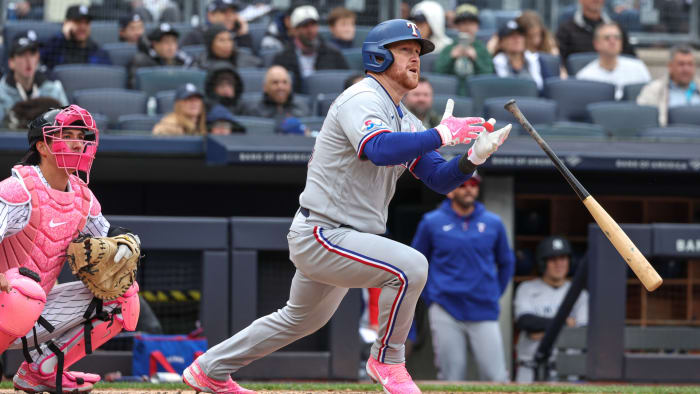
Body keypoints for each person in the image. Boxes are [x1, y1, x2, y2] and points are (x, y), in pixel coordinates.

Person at [182, 18, 511, 394]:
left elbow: (437, 177)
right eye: (405, 50)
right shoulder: (362, 97)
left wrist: (471, 159)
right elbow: (378, 149)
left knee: (298, 320)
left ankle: (209, 369)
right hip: (324, 231)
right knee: (411, 267)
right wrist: (439, 133)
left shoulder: (405, 117)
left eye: (418, 52)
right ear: (377, 56)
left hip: (345, 236)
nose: (415, 58)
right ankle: (387, 360)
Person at [0, 104, 141, 393]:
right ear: (42, 145)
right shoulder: (18, 190)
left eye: (82, 135)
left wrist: (124, 243)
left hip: (34, 309)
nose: (78, 142)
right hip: (7, 303)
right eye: (67, 135)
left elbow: (106, 236)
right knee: (25, 290)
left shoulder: (82, 197)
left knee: (124, 294)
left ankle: (43, 370)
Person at [412, 174, 515, 382]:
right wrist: (431, 296)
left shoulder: (493, 222)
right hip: (445, 307)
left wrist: (494, 293)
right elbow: (415, 262)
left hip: (483, 307)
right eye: (463, 184)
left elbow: (507, 262)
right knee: (452, 377)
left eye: (473, 184)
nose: (468, 189)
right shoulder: (431, 222)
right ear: (450, 189)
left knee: (496, 377)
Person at [513, 236, 588, 382]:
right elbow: (525, 322)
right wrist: (565, 324)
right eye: (553, 259)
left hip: (568, 374)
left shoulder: (581, 294)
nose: (559, 264)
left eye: (563, 258)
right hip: (530, 371)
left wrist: (542, 331)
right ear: (543, 263)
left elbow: (581, 334)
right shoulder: (526, 289)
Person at [272, 5, 348, 93]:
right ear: (295, 30)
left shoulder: (334, 53)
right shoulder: (282, 57)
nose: (310, 30)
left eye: (313, 24)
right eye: (305, 26)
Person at [0, 30, 69, 125]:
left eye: (32, 54)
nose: (28, 60)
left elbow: (68, 124)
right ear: (11, 62)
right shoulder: (1, 94)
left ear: (37, 58)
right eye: (22, 54)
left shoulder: (54, 89)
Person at [575, 22, 650, 100]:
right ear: (596, 44)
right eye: (607, 38)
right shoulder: (585, 77)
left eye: (617, 38)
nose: (613, 42)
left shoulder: (638, 68)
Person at [434, 4, 493, 96]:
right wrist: (451, 57)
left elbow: (489, 75)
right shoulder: (449, 48)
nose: (467, 27)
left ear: (477, 26)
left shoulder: (482, 49)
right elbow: (438, 74)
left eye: (471, 23)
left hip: (477, 94)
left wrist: (475, 58)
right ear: (457, 26)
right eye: (463, 23)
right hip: (452, 95)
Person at [637, 45, 700, 126]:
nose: (686, 69)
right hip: (668, 137)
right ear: (670, 66)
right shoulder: (653, 90)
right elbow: (642, 118)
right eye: (681, 64)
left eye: (690, 64)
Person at [556, 0, 635, 62]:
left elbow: (631, 58)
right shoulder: (565, 30)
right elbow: (559, 59)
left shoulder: (616, 29)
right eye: (607, 38)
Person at [41, 5, 111, 70]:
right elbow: (40, 59)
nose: (83, 27)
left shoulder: (97, 51)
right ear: (66, 24)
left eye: (86, 23)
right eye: (78, 22)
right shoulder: (56, 47)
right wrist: (63, 35)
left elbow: (107, 76)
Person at [493, 20, 553, 91]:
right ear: (501, 42)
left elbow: (548, 89)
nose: (517, 39)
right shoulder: (494, 64)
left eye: (520, 35)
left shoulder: (537, 60)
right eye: (511, 36)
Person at [239, 65, 310, 124]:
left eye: (285, 82)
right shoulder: (253, 111)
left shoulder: (302, 109)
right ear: (265, 87)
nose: (281, 87)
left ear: (290, 86)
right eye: (275, 82)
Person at [128, 23, 193, 88]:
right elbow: (135, 86)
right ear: (154, 44)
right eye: (166, 42)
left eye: (174, 41)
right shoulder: (142, 61)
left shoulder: (184, 60)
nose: (171, 47)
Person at [181, 0, 253, 50]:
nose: (230, 17)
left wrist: (243, 34)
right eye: (224, 12)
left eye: (233, 12)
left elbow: (249, 62)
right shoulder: (196, 36)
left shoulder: (240, 34)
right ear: (210, 16)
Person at [196, 24, 262, 70]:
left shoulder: (248, 61)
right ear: (210, 44)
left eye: (230, 39)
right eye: (221, 40)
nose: (227, 44)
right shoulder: (201, 63)